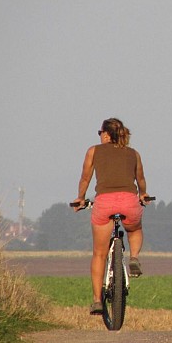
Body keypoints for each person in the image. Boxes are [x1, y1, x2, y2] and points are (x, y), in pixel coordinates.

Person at [72, 117, 151, 315]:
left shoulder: (94, 151)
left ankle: (97, 300)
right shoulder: (133, 153)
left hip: (104, 202)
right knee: (134, 229)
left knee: (99, 254)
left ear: (106, 134)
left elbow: (85, 178)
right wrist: (143, 194)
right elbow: (140, 179)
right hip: (128, 200)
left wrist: (80, 198)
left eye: (100, 133)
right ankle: (134, 257)